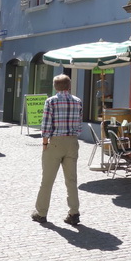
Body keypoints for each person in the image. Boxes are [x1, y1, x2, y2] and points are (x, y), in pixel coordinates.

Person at [32, 74, 83, 226]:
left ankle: (41, 213)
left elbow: (46, 124)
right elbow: (79, 124)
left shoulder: (51, 101)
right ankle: (74, 212)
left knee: (47, 180)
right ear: (69, 86)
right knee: (71, 180)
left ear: (55, 87)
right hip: (72, 141)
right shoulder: (78, 101)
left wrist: (45, 143)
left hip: (55, 142)